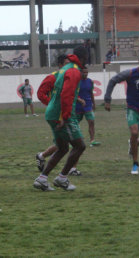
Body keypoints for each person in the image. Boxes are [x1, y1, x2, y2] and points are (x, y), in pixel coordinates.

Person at [33, 46, 88, 191]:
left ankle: (42, 179)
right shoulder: (74, 70)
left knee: (63, 148)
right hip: (61, 114)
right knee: (80, 146)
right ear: (84, 58)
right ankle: (62, 178)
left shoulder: (65, 68)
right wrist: (64, 116)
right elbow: (66, 94)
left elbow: (64, 92)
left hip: (52, 113)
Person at [76, 66, 101, 148]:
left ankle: (92, 140)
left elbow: (91, 93)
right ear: (80, 72)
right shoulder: (76, 82)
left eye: (86, 72)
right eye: (84, 72)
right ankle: (73, 141)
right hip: (78, 106)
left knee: (91, 122)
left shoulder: (90, 81)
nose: (85, 74)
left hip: (88, 105)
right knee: (75, 124)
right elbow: (73, 94)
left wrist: (94, 103)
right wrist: (79, 100)